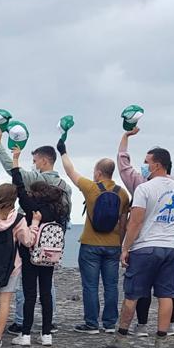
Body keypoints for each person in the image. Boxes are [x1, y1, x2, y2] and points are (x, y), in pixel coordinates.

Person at [108, 148, 174, 348]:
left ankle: (122, 336)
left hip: (145, 247)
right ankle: (161, 339)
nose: (144, 165)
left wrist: (125, 248)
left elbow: (135, 221)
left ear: (157, 164)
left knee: (132, 293)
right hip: (170, 247)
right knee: (166, 294)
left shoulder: (144, 189)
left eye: (146, 161)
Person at [0, 132, 72, 335]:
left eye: (36, 160)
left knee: (28, 289)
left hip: (32, 244)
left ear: (44, 161)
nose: (34, 164)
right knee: (47, 288)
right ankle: (48, 327)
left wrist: (0, 146)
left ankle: (23, 326)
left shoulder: (34, 189)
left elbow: (15, 174)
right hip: (52, 246)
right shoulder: (66, 188)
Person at [57, 138, 130, 334]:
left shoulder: (91, 188)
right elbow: (124, 223)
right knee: (111, 285)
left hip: (90, 244)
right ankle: (109, 323)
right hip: (113, 245)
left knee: (90, 285)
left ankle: (91, 324)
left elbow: (70, 172)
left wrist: (63, 152)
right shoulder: (122, 194)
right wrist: (121, 244)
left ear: (98, 173)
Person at [10, 147, 70, 347]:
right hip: (50, 254)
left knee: (29, 294)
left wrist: (15, 160)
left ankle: (25, 334)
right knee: (46, 293)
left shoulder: (32, 207)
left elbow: (18, 185)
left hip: (30, 253)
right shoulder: (57, 208)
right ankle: (46, 334)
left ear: (35, 193)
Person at [0, 184, 40, 347]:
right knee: (5, 300)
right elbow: (27, 241)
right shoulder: (18, 219)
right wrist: (35, 224)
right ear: (14, 198)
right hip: (11, 265)